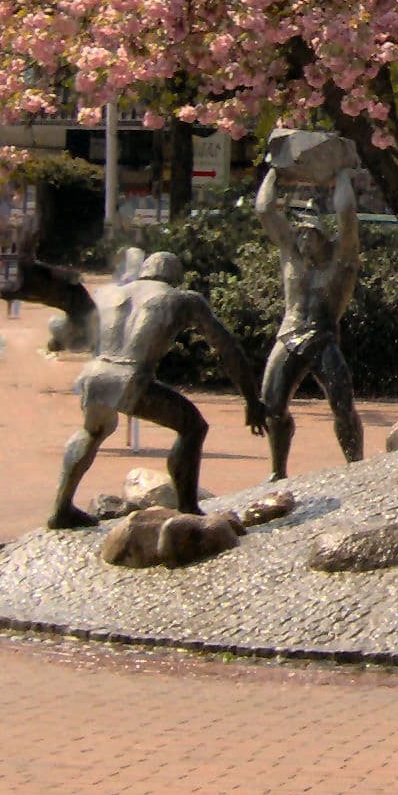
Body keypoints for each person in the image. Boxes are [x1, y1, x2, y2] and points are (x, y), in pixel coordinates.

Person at [49, 252, 264, 529]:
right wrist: (251, 399)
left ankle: (60, 508)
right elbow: (228, 349)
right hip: (130, 378)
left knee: (91, 432)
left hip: (94, 375)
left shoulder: (107, 294)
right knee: (193, 426)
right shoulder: (182, 299)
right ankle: (187, 506)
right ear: (174, 278)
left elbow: (80, 334)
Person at [255, 163, 364, 479]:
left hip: (323, 338)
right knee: (271, 406)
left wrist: (340, 173)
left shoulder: (342, 261)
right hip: (288, 336)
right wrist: (275, 171)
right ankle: (278, 471)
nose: (302, 239)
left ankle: (357, 466)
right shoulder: (291, 256)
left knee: (342, 405)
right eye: (299, 233)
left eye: (309, 234)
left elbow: (347, 218)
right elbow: (264, 210)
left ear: (323, 239)